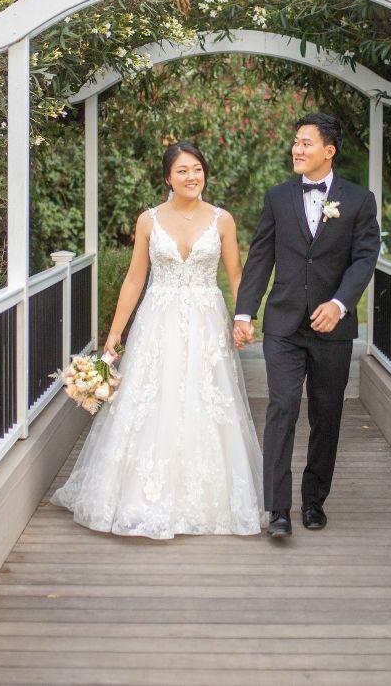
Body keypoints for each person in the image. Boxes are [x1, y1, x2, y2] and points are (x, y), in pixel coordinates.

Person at [50, 142, 264, 539]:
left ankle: (206, 499)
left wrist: (244, 318)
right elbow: (135, 278)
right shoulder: (149, 220)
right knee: (152, 400)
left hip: (206, 322)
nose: (191, 177)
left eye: (197, 169)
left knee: (206, 399)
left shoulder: (222, 220)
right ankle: (141, 498)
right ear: (168, 177)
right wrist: (115, 333)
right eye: (182, 170)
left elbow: (236, 274)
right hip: (157, 321)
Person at [233, 113, 380, 537]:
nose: (296, 149)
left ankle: (314, 501)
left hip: (332, 328)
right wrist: (244, 312)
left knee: (326, 414)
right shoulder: (278, 197)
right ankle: (277, 510)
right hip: (284, 324)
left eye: (306, 143)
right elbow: (261, 256)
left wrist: (340, 303)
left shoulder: (359, 200)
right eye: (296, 142)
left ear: (328, 151)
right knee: (281, 409)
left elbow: (364, 259)